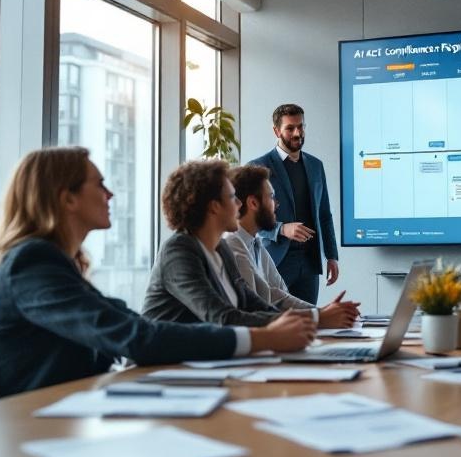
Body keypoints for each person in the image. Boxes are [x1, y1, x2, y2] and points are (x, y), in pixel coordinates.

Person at [0, 148, 314, 399]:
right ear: (67, 199)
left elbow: (127, 324)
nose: (110, 193)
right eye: (99, 184)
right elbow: (135, 336)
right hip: (27, 424)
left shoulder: (53, 262)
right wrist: (263, 338)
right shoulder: (33, 262)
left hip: (67, 410)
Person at [143, 159, 314, 328]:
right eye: (233, 197)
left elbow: (252, 303)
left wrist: (313, 318)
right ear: (214, 207)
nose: (239, 204)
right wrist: (305, 321)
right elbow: (221, 316)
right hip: (169, 355)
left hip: (206, 353)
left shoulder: (221, 248)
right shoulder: (178, 252)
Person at [226, 164, 360, 328]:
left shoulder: (255, 243)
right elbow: (254, 308)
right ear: (253, 203)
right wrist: (320, 316)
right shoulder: (233, 244)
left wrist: (323, 312)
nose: (276, 204)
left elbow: (278, 292)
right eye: (271, 197)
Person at [249, 104, 338, 304]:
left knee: (308, 325)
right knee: (275, 323)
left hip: (309, 263)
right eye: (290, 128)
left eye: (301, 126)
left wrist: (331, 256)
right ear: (276, 130)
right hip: (276, 261)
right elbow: (248, 218)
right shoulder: (258, 167)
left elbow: (325, 215)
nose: (297, 133)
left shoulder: (316, 165)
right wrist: (281, 229)